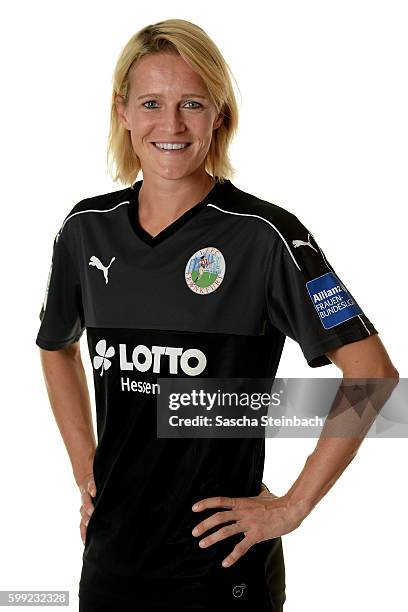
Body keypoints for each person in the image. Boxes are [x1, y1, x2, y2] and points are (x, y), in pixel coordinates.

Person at [35, 18, 398, 612]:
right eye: (151, 103)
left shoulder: (266, 236)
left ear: (219, 114)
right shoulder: (84, 230)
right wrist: (86, 471)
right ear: (122, 111)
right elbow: (55, 346)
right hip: (111, 565)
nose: (171, 124)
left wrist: (293, 505)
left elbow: (374, 377)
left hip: (221, 572)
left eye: (192, 104)